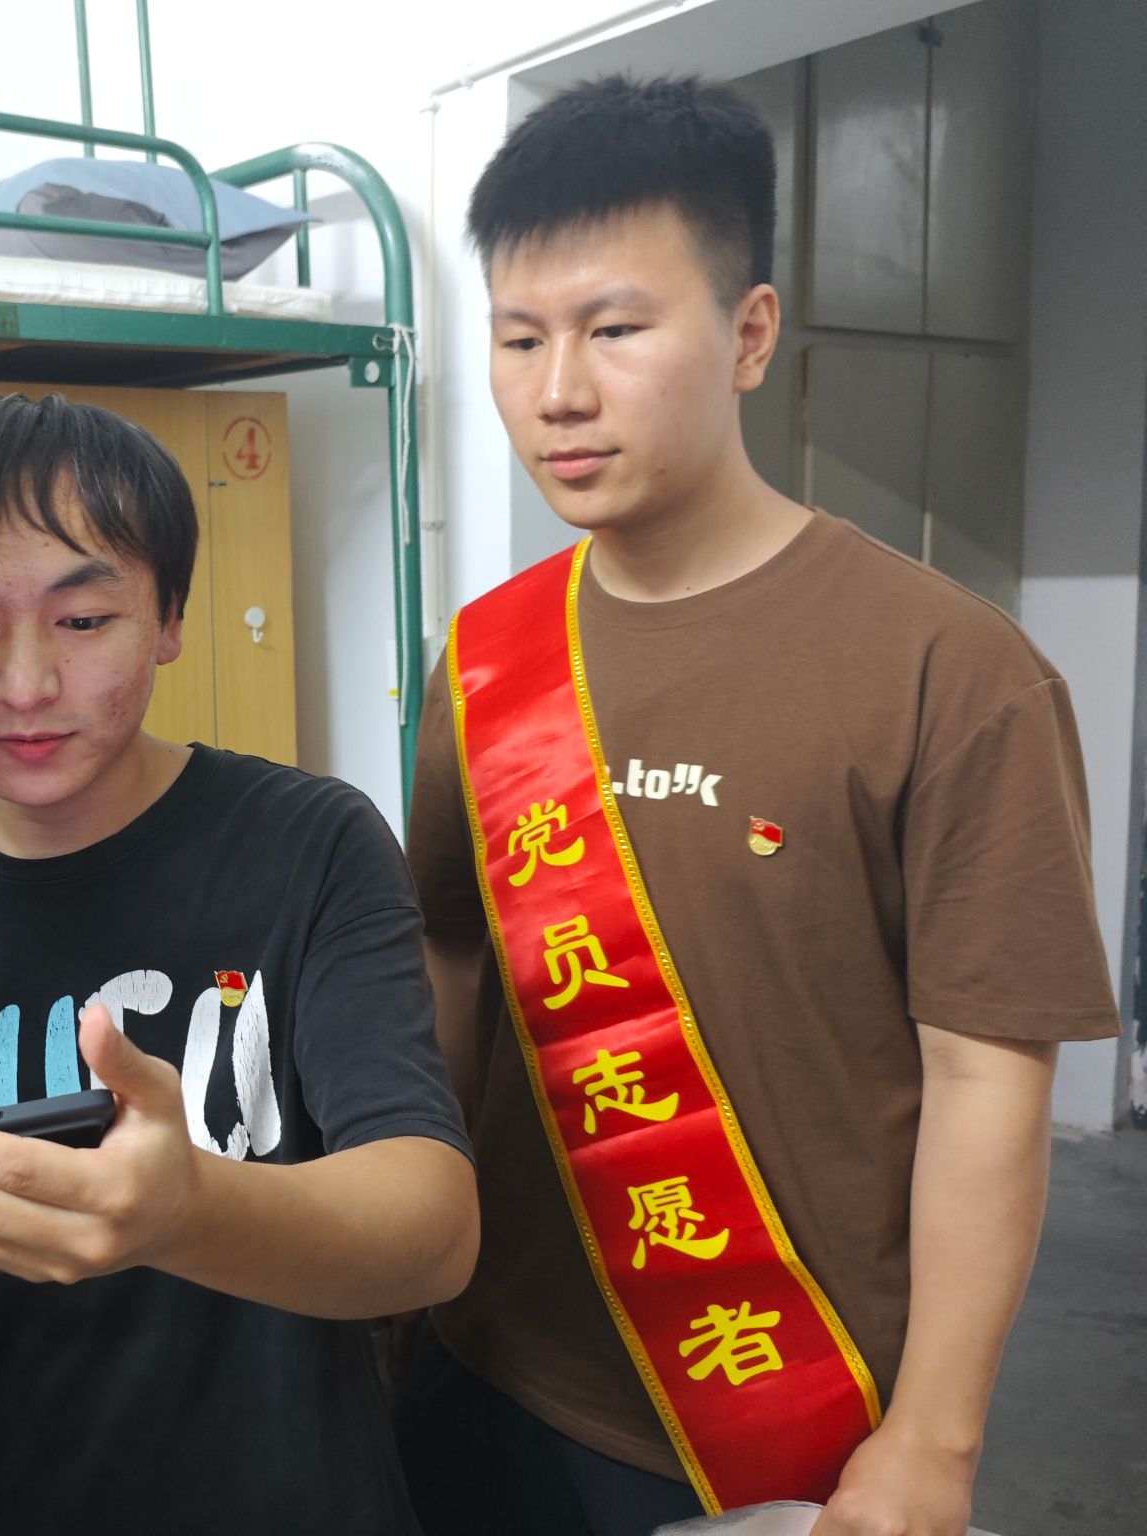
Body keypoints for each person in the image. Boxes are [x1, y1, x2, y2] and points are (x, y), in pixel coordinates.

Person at [395, 74, 1119, 1536]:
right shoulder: (481, 662)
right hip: (479, 1368)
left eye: (613, 329)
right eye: (519, 338)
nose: (558, 391)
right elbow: (450, 964)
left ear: (748, 334)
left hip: (778, 1420)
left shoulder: (951, 672)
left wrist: (935, 1444)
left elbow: (987, 1083)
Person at [0, 393, 480, 1536]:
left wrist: (186, 1212)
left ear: (169, 617)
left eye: (84, 619)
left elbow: (429, 1231)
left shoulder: (308, 846)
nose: (25, 684)